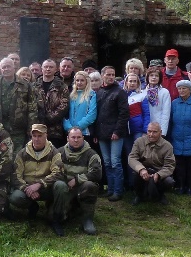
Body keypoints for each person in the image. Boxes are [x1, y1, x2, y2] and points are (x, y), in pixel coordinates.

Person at [10, 124, 63, 233]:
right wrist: (26, 188)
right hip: (28, 188)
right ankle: (32, 206)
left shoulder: (54, 152)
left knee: (61, 186)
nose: (37, 139)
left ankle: (55, 216)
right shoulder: (22, 153)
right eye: (34, 136)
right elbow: (15, 175)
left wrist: (40, 184)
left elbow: (58, 173)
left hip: (46, 188)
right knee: (15, 197)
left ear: (46, 136)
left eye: (40, 136)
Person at [0, 56, 36, 149]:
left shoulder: (25, 85)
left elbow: (32, 108)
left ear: (14, 67)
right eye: (3, 67)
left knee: (16, 158)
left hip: (18, 130)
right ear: (1, 69)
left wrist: (31, 128)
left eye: (8, 66)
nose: (6, 69)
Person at [56, 127, 102, 235]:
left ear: (83, 138)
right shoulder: (59, 152)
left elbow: (96, 174)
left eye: (78, 137)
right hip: (65, 188)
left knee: (90, 185)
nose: (76, 140)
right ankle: (67, 211)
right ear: (67, 138)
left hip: (82, 188)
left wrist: (77, 180)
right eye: (73, 137)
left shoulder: (91, 154)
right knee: (52, 217)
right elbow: (54, 171)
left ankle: (87, 220)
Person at [95, 65, 130, 202]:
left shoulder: (120, 92)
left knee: (115, 162)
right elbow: (97, 115)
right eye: (108, 75)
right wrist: (96, 134)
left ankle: (118, 191)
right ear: (102, 75)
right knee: (107, 162)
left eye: (112, 75)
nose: (110, 77)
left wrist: (117, 131)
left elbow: (124, 114)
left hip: (116, 133)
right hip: (102, 133)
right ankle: (109, 189)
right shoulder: (99, 92)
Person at [128, 121, 177, 206]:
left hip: (159, 171)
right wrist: (141, 169)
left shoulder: (167, 146)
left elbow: (170, 165)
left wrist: (159, 174)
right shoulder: (139, 141)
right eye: (149, 131)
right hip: (144, 170)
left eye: (154, 132)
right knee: (135, 173)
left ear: (160, 132)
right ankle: (139, 195)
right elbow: (131, 158)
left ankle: (161, 195)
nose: (151, 134)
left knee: (169, 181)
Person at [123, 72, 149, 188]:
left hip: (138, 130)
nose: (132, 83)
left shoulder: (142, 95)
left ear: (138, 83)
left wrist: (145, 130)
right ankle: (130, 183)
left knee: (138, 156)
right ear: (126, 82)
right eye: (130, 81)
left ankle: (141, 184)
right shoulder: (122, 95)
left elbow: (147, 114)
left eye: (135, 81)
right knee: (129, 157)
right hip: (125, 131)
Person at [63, 70, 98, 137]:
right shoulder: (71, 95)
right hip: (70, 132)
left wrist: (78, 127)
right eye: (77, 80)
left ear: (86, 82)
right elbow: (65, 113)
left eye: (82, 80)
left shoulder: (91, 95)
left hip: (84, 132)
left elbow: (92, 114)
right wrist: (69, 127)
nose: (79, 82)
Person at [143, 66, 171, 138]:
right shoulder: (142, 92)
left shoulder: (164, 92)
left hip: (158, 127)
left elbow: (166, 113)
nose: (154, 77)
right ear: (147, 77)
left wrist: (162, 132)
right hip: (145, 128)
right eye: (151, 75)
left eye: (156, 76)